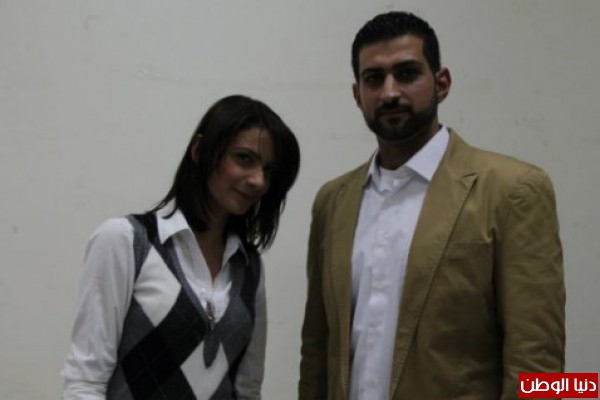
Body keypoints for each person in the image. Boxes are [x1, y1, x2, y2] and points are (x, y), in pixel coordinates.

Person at [298, 11, 564, 400]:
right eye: (374, 78)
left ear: (442, 83)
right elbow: (316, 351)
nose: (390, 92)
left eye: (407, 74)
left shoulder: (514, 190)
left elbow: (538, 362)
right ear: (357, 95)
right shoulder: (332, 201)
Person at [61, 94, 300, 399]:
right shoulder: (125, 241)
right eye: (244, 158)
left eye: (269, 170)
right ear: (200, 150)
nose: (259, 181)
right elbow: (85, 382)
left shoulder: (250, 267)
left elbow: (248, 390)